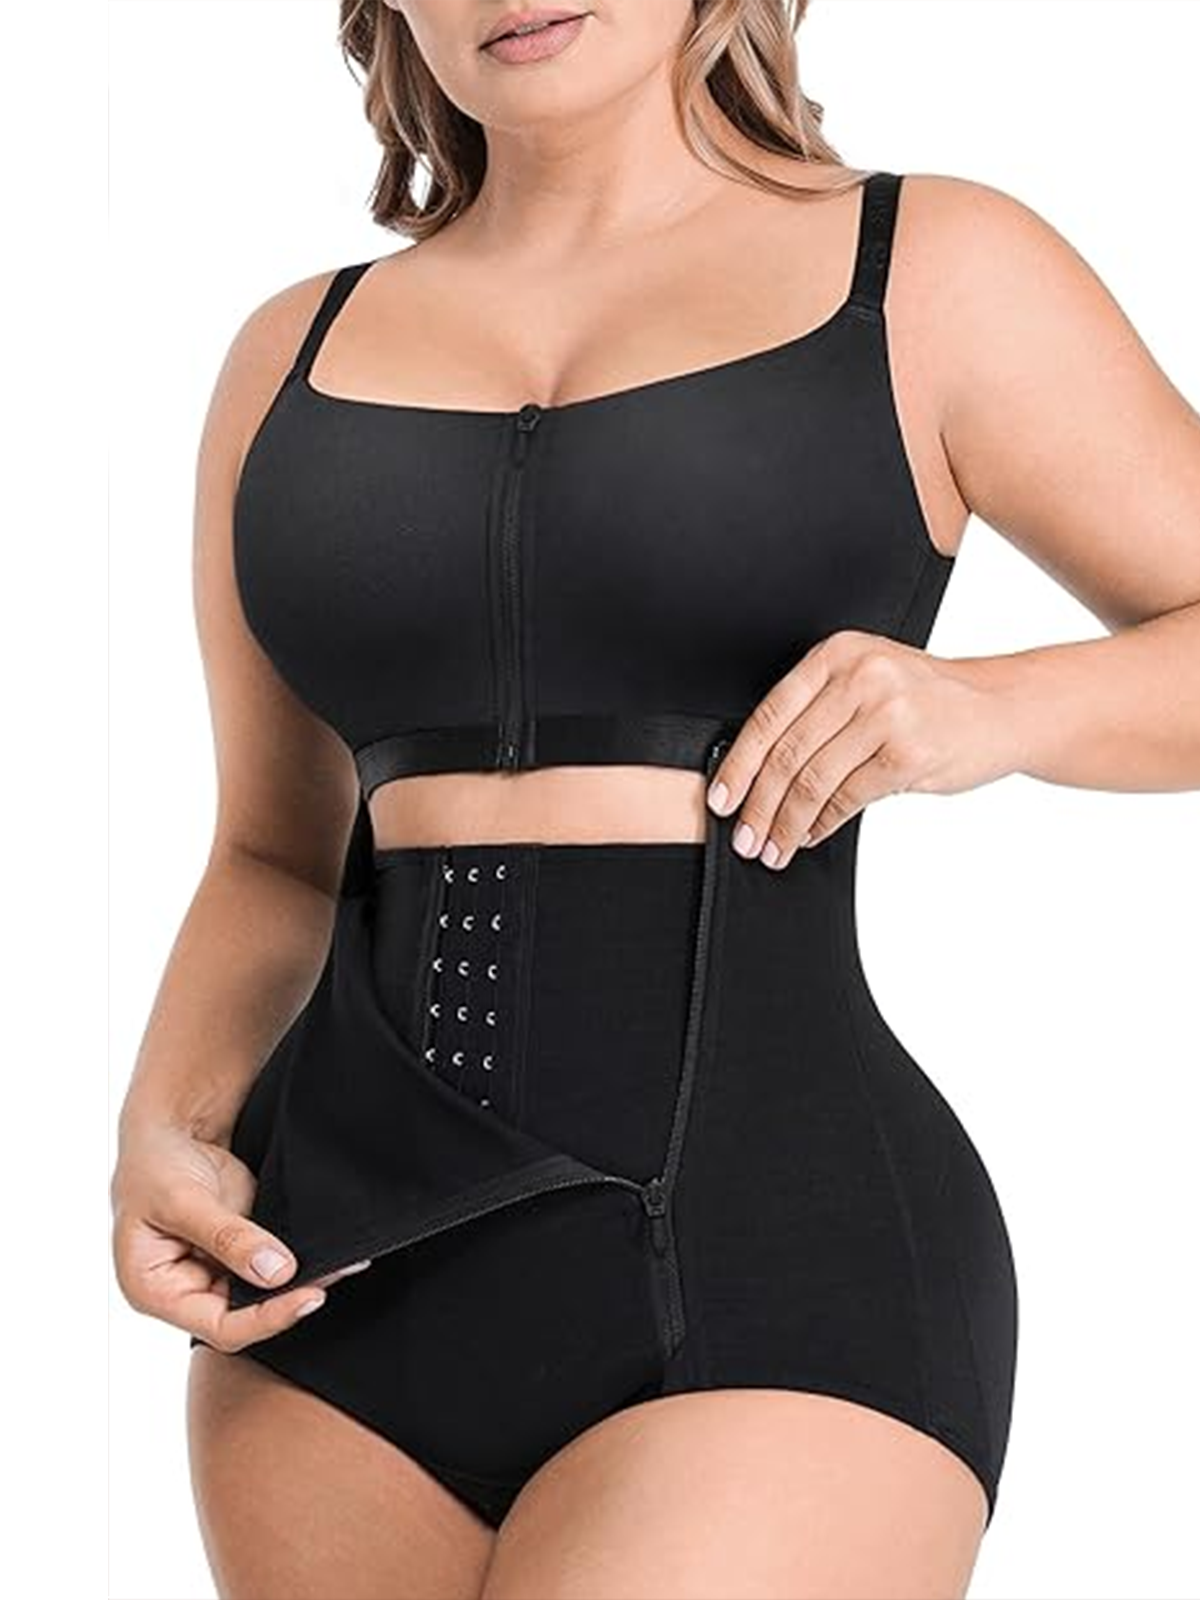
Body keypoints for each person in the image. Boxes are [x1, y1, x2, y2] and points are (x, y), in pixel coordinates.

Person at [110, 3, 1200, 1597]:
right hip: (331, 1307)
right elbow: (275, 853)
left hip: (777, 1264)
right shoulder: (290, 356)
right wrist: (170, 1125)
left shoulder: (930, 271)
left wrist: (1000, 706)